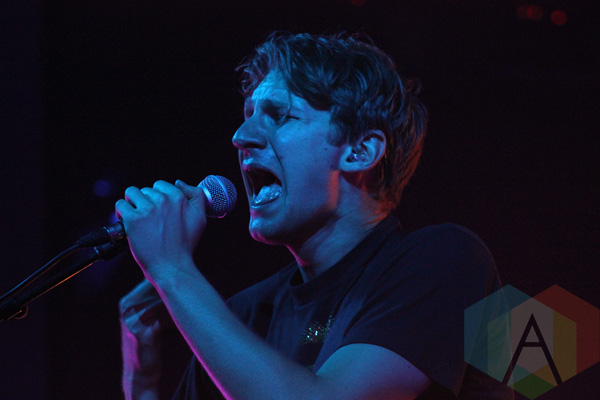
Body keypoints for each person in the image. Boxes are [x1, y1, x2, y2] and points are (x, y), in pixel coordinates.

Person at [116, 32, 514, 399]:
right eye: (248, 114)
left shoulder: (450, 258)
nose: (241, 136)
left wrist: (173, 270)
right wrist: (142, 383)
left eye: (279, 116)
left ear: (360, 151)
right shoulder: (248, 314)